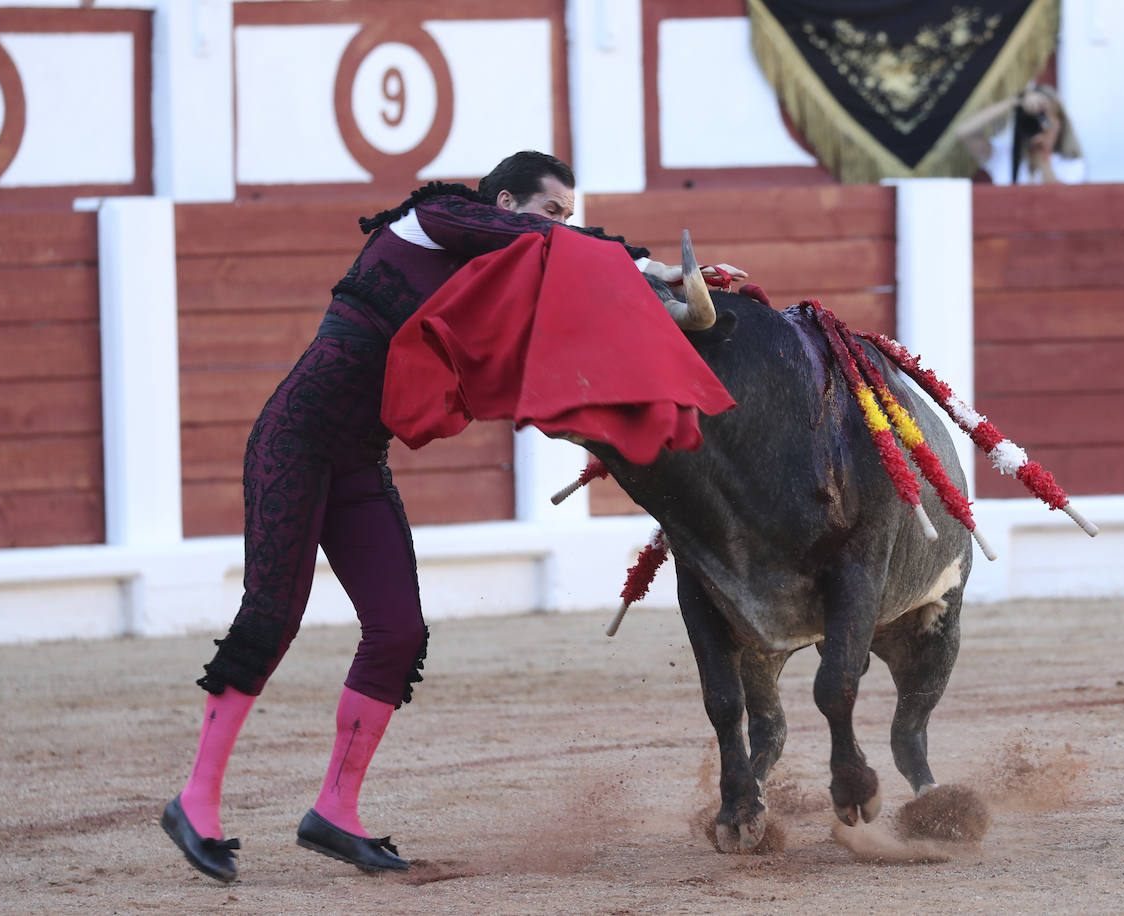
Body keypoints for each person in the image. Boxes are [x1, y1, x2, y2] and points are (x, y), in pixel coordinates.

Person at [160, 151, 743, 883]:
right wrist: (649, 265)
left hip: (357, 461)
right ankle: (196, 800)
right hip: (296, 440)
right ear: (504, 200)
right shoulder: (432, 217)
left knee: (399, 631)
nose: (559, 225)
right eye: (551, 209)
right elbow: (551, 248)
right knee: (273, 612)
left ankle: (334, 811)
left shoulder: (507, 259)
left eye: (566, 215)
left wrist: (659, 297)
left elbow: (568, 286)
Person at [956, 84, 1086, 185]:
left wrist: (1042, 157)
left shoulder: (1072, 164)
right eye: (1032, 118)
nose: (1038, 124)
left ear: (1059, 123)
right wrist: (1017, 101)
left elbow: (1061, 199)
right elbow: (964, 131)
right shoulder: (1003, 156)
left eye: (1043, 117)